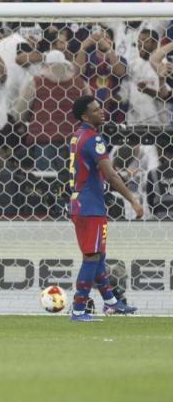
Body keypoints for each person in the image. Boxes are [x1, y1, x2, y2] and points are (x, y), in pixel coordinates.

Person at [67, 96, 142, 321]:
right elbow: (110, 173)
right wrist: (132, 200)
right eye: (95, 110)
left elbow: (93, 169)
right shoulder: (93, 139)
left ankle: (111, 302)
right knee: (91, 258)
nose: (101, 112)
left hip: (82, 203)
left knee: (98, 257)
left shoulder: (78, 136)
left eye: (100, 108)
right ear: (84, 116)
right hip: (90, 207)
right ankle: (79, 309)